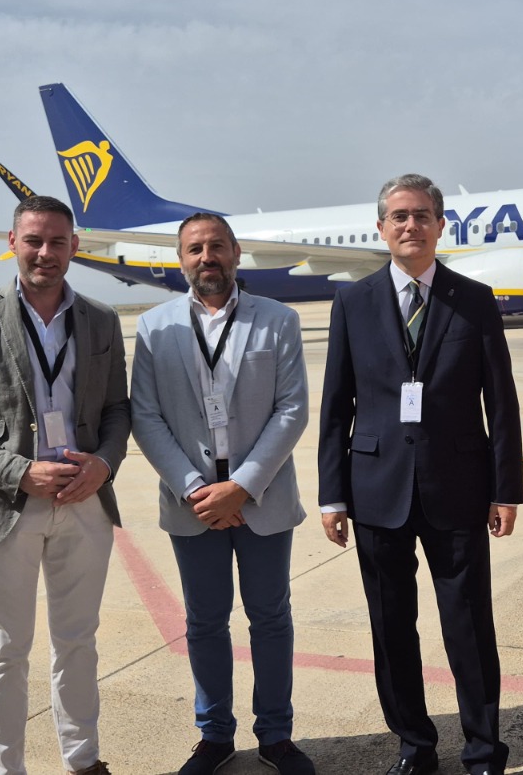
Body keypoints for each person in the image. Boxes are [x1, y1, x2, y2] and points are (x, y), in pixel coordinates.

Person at [318, 174, 523, 775]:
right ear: (381, 228)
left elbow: (500, 402)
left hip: (457, 487)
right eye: (399, 216)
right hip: (375, 490)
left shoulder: (474, 299)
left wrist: (505, 489)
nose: (411, 225)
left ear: (440, 225)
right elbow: (336, 405)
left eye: (422, 215)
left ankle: (483, 750)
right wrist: (332, 496)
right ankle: (415, 745)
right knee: (391, 629)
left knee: (469, 626)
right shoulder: (352, 302)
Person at [0, 195, 129, 775]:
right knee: (6, 649)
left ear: (74, 247)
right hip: (7, 506)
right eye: (34, 240)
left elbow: (117, 409)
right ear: (12, 243)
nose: (45, 252)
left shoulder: (101, 319)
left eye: (57, 242)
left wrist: (103, 464)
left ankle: (83, 760)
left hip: (84, 501)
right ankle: (5, 768)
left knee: (78, 641)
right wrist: (19, 472)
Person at [131, 214, 316, 775]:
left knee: (271, 619)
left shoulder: (277, 320)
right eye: (195, 249)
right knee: (205, 622)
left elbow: (292, 409)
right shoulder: (154, 326)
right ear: (180, 259)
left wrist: (241, 486)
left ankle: (276, 736)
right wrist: (196, 490)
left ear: (236, 253)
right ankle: (214, 736)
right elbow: (145, 415)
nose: (206, 257)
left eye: (216, 246)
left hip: (261, 498)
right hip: (193, 506)